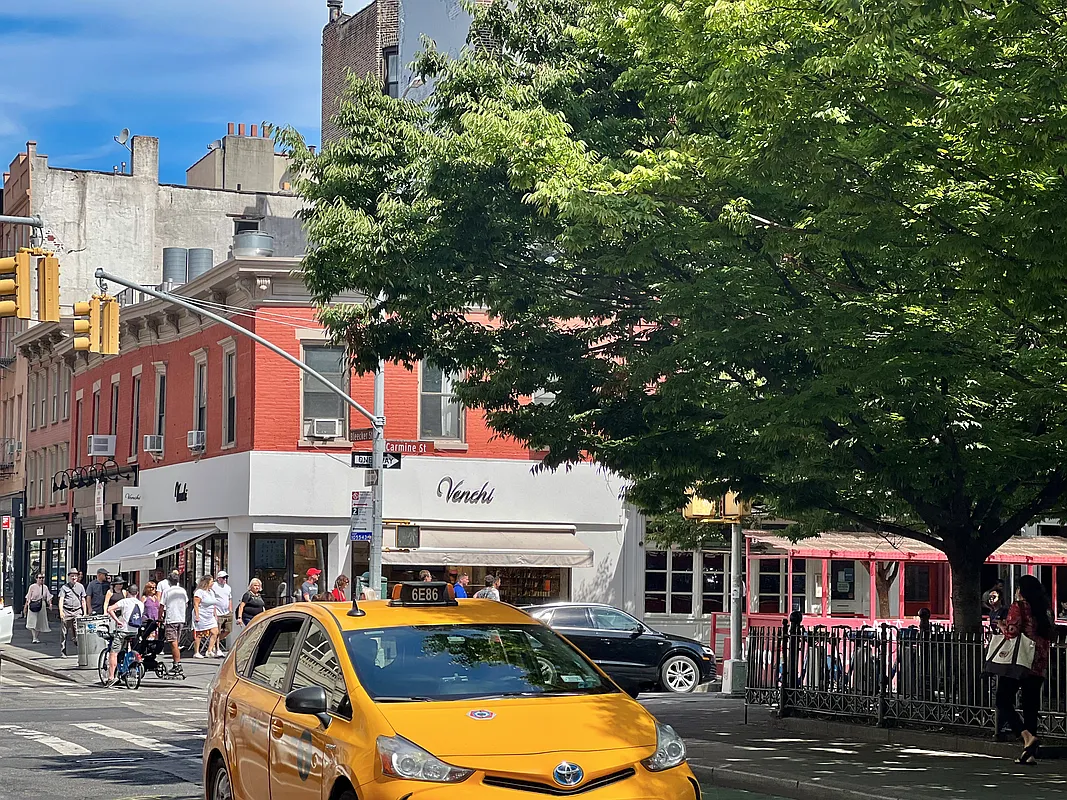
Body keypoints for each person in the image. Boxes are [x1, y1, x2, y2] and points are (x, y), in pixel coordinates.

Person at [996, 574, 1053, 764]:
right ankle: (1029, 753)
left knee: (1002, 700)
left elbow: (1012, 632)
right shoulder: (1045, 610)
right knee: (1030, 707)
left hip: (1019, 662)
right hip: (1038, 664)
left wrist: (1002, 624)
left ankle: (1025, 735)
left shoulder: (1019, 607)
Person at [104, 583, 144, 687]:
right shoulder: (140, 603)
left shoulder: (124, 601)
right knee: (127, 649)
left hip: (123, 630)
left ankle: (111, 677)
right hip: (134, 631)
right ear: (137, 593)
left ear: (127, 593)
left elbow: (109, 609)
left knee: (113, 652)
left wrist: (117, 620)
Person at [160, 577, 188, 673]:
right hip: (181, 618)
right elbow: (186, 603)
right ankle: (176, 662)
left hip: (171, 619)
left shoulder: (167, 591)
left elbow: (161, 605)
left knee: (173, 643)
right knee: (176, 642)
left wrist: (160, 617)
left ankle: (177, 664)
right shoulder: (183, 591)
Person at [58, 569, 87, 656]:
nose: (74, 577)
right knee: (64, 632)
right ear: (69, 577)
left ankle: (79, 649)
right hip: (66, 611)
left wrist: (84, 612)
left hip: (77, 611)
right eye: (72, 576)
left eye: (75, 576)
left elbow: (83, 600)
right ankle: (63, 650)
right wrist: (61, 612)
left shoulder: (81, 587)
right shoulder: (64, 587)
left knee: (79, 630)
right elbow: (61, 600)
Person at [192, 574, 220, 658]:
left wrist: (215, 614)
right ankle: (196, 652)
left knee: (215, 631)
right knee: (199, 633)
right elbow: (196, 604)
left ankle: (209, 650)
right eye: (212, 581)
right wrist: (197, 616)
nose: (213, 583)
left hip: (209, 615)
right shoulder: (199, 592)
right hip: (201, 614)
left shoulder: (211, 592)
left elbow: (213, 604)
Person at [24, 573, 53, 644]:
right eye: (40, 578)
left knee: (40, 621)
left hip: (42, 604)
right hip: (33, 604)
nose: (41, 579)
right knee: (32, 621)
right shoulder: (32, 586)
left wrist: (50, 604)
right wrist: (26, 606)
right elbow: (28, 597)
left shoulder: (45, 587)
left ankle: (36, 637)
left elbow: (48, 596)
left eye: (42, 578)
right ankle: (34, 637)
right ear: (36, 579)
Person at [211, 571, 233, 653]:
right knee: (217, 631)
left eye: (226, 577)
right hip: (218, 612)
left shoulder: (228, 587)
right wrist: (214, 612)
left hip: (227, 612)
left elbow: (229, 598)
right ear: (218, 578)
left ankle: (213, 642)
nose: (225, 579)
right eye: (223, 578)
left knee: (228, 630)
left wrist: (230, 609)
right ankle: (217, 648)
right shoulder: (214, 586)